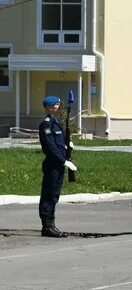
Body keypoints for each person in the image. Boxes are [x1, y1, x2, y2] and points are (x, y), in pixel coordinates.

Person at [37, 96, 74, 237]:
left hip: (58, 164)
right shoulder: (46, 124)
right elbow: (50, 146)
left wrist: (67, 146)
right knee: (49, 195)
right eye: (56, 105)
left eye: (58, 104)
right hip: (53, 164)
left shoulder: (56, 122)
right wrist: (63, 160)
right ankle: (47, 226)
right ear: (49, 107)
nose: (58, 107)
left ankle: (51, 223)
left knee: (55, 195)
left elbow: (59, 142)